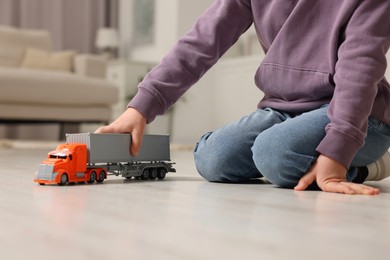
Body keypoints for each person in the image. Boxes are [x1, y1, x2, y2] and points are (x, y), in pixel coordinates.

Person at [96, 0, 390, 195]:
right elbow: (202, 40)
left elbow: (360, 71)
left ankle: (368, 165)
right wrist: (141, 107)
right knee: (212, 158)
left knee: (273, 154)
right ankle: (305, 155)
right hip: (284, 108)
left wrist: (339, 149)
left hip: (358, 116)